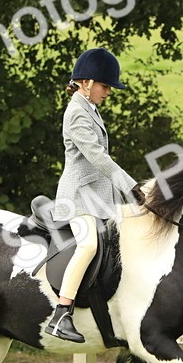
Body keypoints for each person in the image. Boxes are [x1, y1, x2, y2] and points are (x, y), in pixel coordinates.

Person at [45, 48, 140, 343]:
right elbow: (97, 157)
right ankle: (62, 313)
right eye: (105, 85)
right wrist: (131, 186)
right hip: (78, 199)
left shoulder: (90, 109)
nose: (108, 91)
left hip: (99, 196)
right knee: (87, 245)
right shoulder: (76, 113)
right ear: (85, 82)